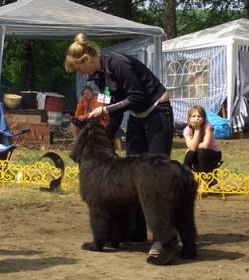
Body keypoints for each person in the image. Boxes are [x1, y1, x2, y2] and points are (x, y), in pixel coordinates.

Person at [64, 33, 174, 251]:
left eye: (78, 68)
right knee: (130, 174)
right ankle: (135, 233)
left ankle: (162, 239)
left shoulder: (119, 63)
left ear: (86, 59)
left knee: (154, 175)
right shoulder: (100, 76)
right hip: (137, 116)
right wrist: (101, 136)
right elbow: (115, 108)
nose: (79, 73)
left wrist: (105, 109)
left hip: (157, 113)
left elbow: (138, 97)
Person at [183, 105, 223, 175]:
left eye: (199, 116)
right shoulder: (187, 130)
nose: (197, 118)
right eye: (194, 116)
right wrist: (191, 149)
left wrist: (197, 129)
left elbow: (205, 145)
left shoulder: (208, 127)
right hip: (198, 153)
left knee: (201, 152)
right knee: (189, 154)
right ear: (189, 119)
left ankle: (204, 178)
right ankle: (185, 177)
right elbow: (192, 148)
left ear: (204, 119)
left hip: (213, 153)